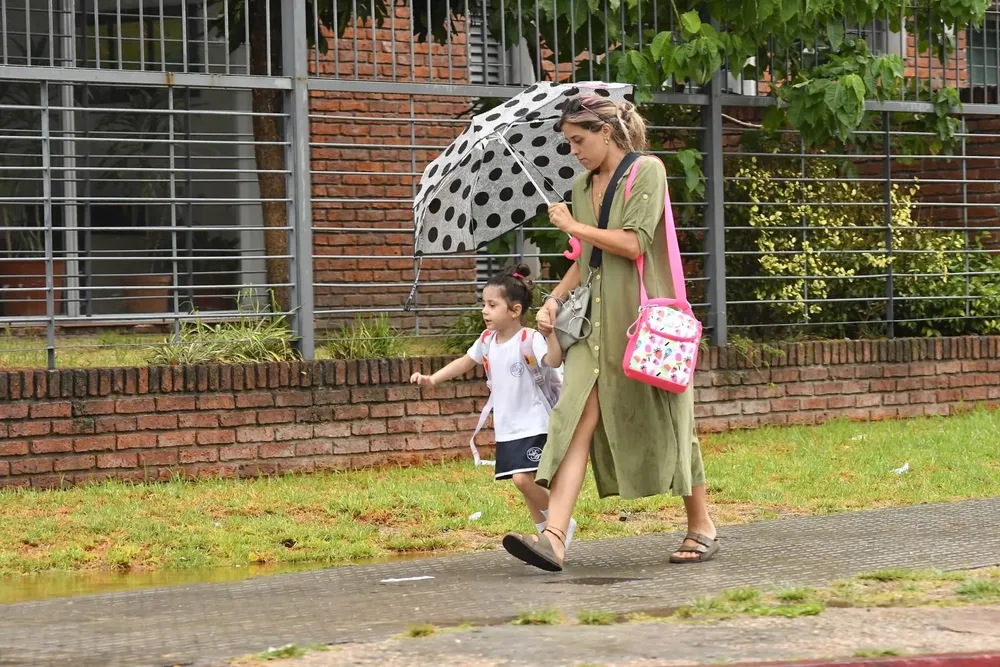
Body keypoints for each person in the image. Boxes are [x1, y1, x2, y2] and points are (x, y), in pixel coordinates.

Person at [499, 96, 719, 572]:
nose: (574, 151)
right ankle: (554, 539)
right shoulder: (581, 185)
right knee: (573, 420)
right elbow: (587, 259)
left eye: (579, 140)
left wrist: (575, 226)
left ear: (607, 131)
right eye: (568, 143)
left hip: (643, 322)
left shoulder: (648, 171)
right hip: (593, 327)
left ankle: (701, 524)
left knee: (670, 418)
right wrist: (555, 298)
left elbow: (633, 242)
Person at [410, 264, 578, 545]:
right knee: (523, 486)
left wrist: (549, 335)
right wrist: (433, 379)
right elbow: (465, 361)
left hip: (535, 422)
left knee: (524, 481)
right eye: (483, 304)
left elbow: (553, 361)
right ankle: (544, 538)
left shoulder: (529, 339)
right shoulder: (487, 340)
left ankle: (562, 523)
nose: (484, 310)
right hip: (507, 427)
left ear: (514, 310)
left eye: (491, 304)